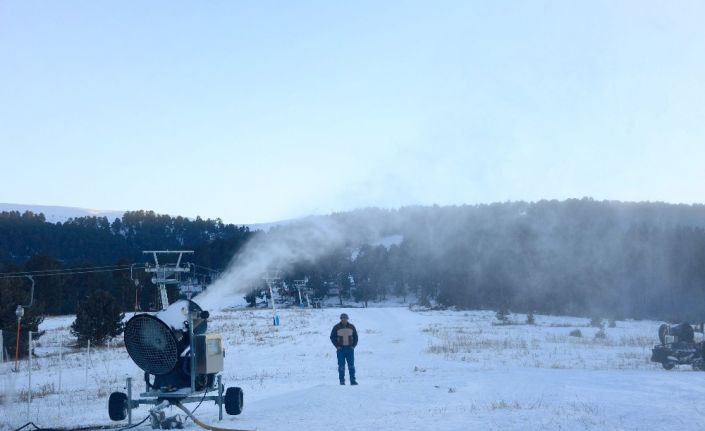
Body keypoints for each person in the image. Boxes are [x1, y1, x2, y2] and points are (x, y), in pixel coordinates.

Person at [330, 313, 358, 385]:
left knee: (351, 366)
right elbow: (332, 337)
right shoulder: (336, 327)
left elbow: (356, 337)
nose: (344, 320)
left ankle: (353, 381)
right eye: (342, 318)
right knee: (341, 366)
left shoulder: (352, 327)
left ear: (347, 319)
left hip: (350, 349)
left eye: (345, 318)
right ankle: (342, 381)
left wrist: (353, 346)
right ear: (341, 319)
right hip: (340, 350)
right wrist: (337, 346)